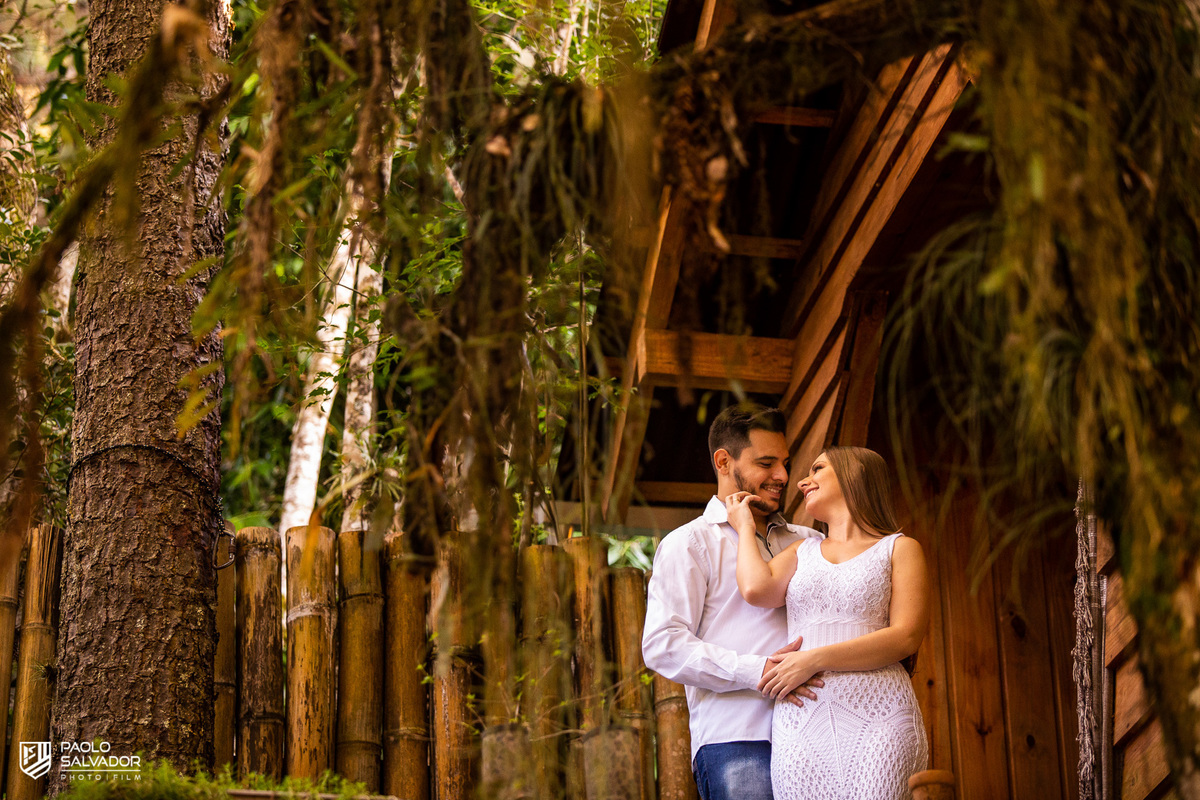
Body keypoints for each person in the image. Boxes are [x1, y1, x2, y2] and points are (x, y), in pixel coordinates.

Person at [642, 403, 826, 800]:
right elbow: (663, 644)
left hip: (821, 729)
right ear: (724, 462)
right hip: (739, 738)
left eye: (785, 462)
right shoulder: (688, 544)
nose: (782, 476)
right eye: (766, 463)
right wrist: (759, 671)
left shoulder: (810, 542)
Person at [729, 445, 930, 800]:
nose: (802, 482)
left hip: (880, 715)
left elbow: (905, 637)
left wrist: (813, 659)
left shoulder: (900, 548)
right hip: (802, 719)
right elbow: (755, 588)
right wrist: (744, 528)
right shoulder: (801, 552)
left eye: (817, 469)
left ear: (854, 473)